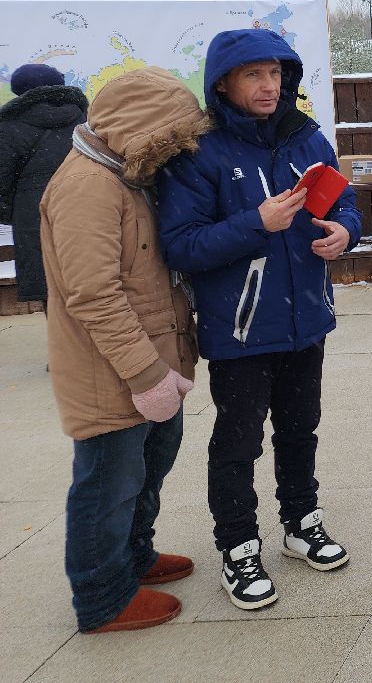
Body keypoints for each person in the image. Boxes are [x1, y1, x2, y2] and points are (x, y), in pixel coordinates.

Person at [157, 29, 362, 611]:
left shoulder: (306, 135)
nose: (269, 85)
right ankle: (238, 548)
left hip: (307, 319)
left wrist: (347, 231)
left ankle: (301, 523)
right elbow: (181, 245)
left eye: (274, 73)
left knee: (301, 429)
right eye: (253, 75)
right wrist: (258, 223)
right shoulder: (198, 152)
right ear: (223, 83)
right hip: (241, 330)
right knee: (237, 442)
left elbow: (344, 202)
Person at [40, 67, 211, 633]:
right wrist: (145, 374)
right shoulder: (87, 186)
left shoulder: (127, 177)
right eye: (168, 143)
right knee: (106, 485)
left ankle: (134, 559)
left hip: (152, 366)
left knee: (144, 472)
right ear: (141, 131)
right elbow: (94, 294)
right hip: (110, 373)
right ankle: (102, 598)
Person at [0, 63, 87, 308]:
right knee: (91, 286)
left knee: (52, 297)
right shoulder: (85, 119)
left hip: (35, 219)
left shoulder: (8, 127)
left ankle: (64, 343)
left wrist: (17, 214)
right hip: (86, 212)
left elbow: (2, 184)